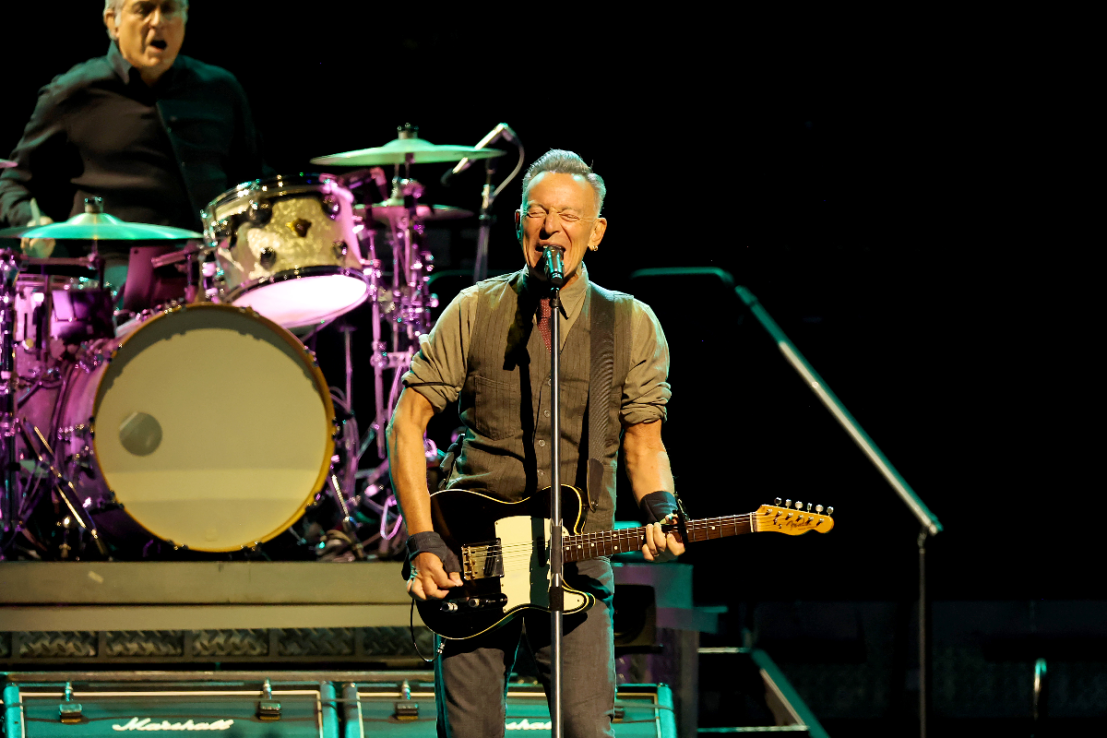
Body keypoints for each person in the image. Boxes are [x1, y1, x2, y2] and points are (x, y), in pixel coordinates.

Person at [387, 149, 684, 738]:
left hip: (575, 555)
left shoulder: (629, 325)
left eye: (570, 217)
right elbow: (406, 422)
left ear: (595, 233)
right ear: (519, 221)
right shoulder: (474, 310)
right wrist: (423, 539)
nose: (553, 228)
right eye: (539, 212)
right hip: (468, 557)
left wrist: (662, 509)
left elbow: (644, 444)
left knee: (584, 727)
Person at [0, 0, 267, 286]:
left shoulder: (221, 89)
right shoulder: (71, 94)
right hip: (115, 269)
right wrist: (32, 222)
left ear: (185, 16)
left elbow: (252, 180)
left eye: (169, 9)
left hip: (217, 263)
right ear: (112, 21)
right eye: (143, 9)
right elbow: (12, 179)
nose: (157, 21)